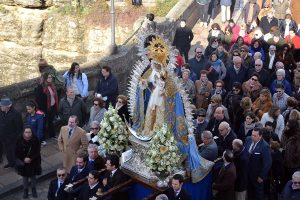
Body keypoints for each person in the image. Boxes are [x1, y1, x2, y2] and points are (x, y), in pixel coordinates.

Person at [245, 127, 272, 200]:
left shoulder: (265, 146)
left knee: (258, 194)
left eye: (255, 136)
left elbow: (267, 163)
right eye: (252, 135)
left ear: (260, 136)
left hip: (257, 176)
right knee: (249, 192)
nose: (252, 137)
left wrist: (261, 176)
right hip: (248, 173)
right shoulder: (248, 140)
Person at [15, 126, 41, 199]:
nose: (28, 134)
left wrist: (31, 159)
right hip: (23, 163)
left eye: (29, 132)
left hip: (33, 161)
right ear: (23, 133)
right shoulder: (19, 140)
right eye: (26, 132)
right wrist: (24, 159)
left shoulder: (35, 139)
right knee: (25, 177)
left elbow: (37, 151)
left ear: (31, 132)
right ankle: (25, 190)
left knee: (33, 177)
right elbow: (16, 152)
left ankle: (33, 189)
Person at [0, 97, 23, 168]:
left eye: (2, 106)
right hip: (4, 138)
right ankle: (11, 163)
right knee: (8, 152)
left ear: (7, 107)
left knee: (14, 152)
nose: (0, 107)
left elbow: (19, 128)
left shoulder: (16, 114)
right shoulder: (2, 113)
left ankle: (17, 165)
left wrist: (13, 138)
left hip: (12, 139)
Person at [35, 73, 59, 138]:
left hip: (52, 107)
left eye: (51, 77)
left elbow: (55, 97)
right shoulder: (40, 87)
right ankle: (42, 138)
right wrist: (42, 110)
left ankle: (52, 135)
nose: (50, 78)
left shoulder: (52, 86)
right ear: (45, 78)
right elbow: (39, 100)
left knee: (51, 121)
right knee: (43, 123)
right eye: (49, 77)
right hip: (44, 109)